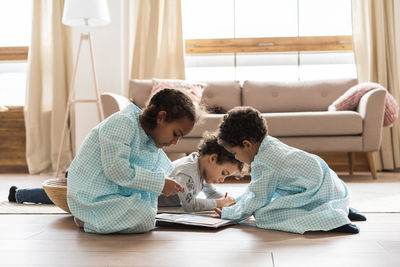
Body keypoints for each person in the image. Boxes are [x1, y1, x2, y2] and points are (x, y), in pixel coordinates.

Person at [213, 106, 366, 234]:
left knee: (263, 213)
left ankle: (332, 218)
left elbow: (257, 198)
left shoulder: (263, 163)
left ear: (247, 144)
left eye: (234, 153)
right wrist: (236, 202)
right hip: (330, 186)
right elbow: (255, 189)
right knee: (274, 197)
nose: (237, 158)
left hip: (314, 192)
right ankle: (338, 207)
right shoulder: (269, 144)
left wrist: (230, 214)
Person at [67, 88, 200, 234]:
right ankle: (91, 219)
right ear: (161, 117)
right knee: (145, 217)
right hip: (92, 196)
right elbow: (117, 170)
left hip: (113, 193)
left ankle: (95, 218)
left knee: (147, 213)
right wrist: (160, 183)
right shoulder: (123, 122)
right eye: (175, 134)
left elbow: (153, 172)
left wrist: (168, 183)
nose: (175, 142)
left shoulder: (149, 141)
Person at [158, 133, 243, 212]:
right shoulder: (187, 172)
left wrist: (229, 201)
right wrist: (219, 203)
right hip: (154, 206)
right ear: (213, 158)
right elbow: (189, 205)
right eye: (223, 173)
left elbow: (211, 193)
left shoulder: (201, 167)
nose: (222, 180)